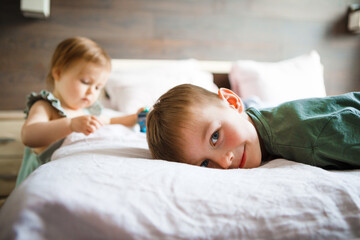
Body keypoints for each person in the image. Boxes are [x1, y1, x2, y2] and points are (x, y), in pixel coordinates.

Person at [17, 37, 144, 185]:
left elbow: (111, 120)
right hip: (41, 181)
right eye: (85, 82)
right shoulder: (45, 106)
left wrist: (136, 117)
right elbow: (28, 135)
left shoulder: (86, 111)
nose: (92, 92)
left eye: (98, 87)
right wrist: (70, 124)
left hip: (70, 176)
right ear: (58, 73)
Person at [146, 84, 360, 170]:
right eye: (204, 164)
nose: (224, 161)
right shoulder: (261, 121)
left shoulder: (311, 139)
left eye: (214, 137)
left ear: (233, 102)